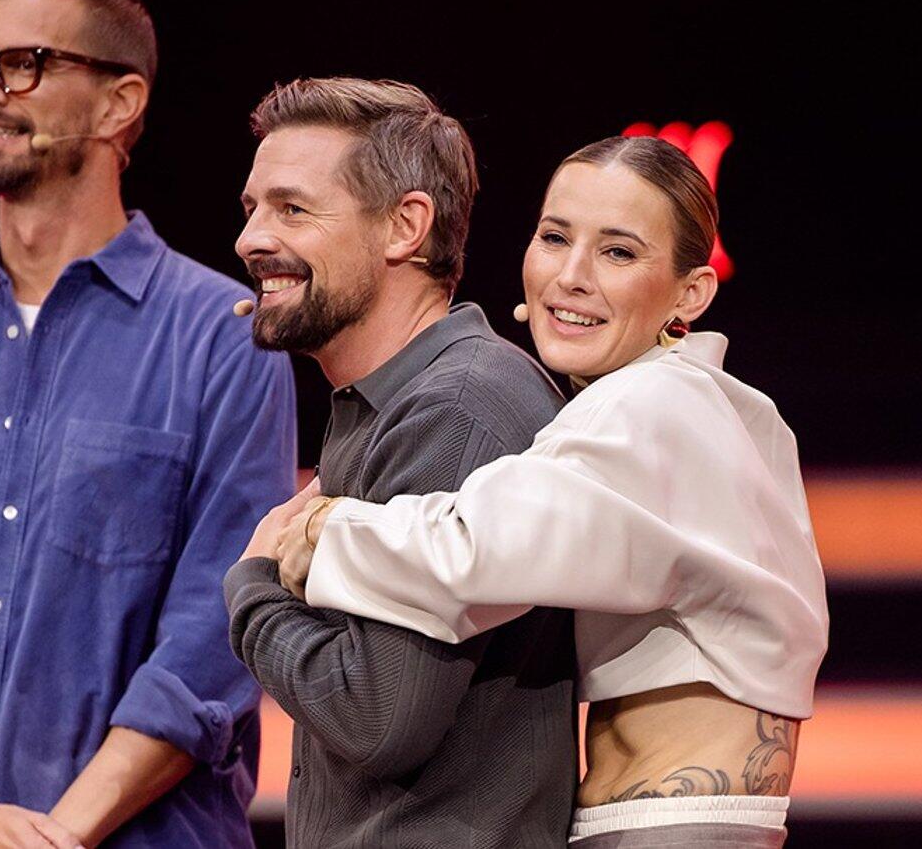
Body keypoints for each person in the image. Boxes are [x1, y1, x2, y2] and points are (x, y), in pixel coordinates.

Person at [0, 0, 296, 848]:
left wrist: (53, 838)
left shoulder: (224, 340)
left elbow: (214, 636)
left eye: (22, 64)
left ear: (120, 104)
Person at [259, 136, 829, 847]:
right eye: (555, 238)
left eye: (618, 252)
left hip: (668, 829)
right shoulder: (710, 404)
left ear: (692, 293)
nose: (571, 276)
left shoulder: (648, 406)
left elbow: (471, 555)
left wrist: (316, 531)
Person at [225, 77, 578, 847]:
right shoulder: (388, 402)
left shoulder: (458, 409)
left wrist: (251, 589)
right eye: (251, 208)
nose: (250, 239)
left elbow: (377, 717)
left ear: (404, 226)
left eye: (291, 209)